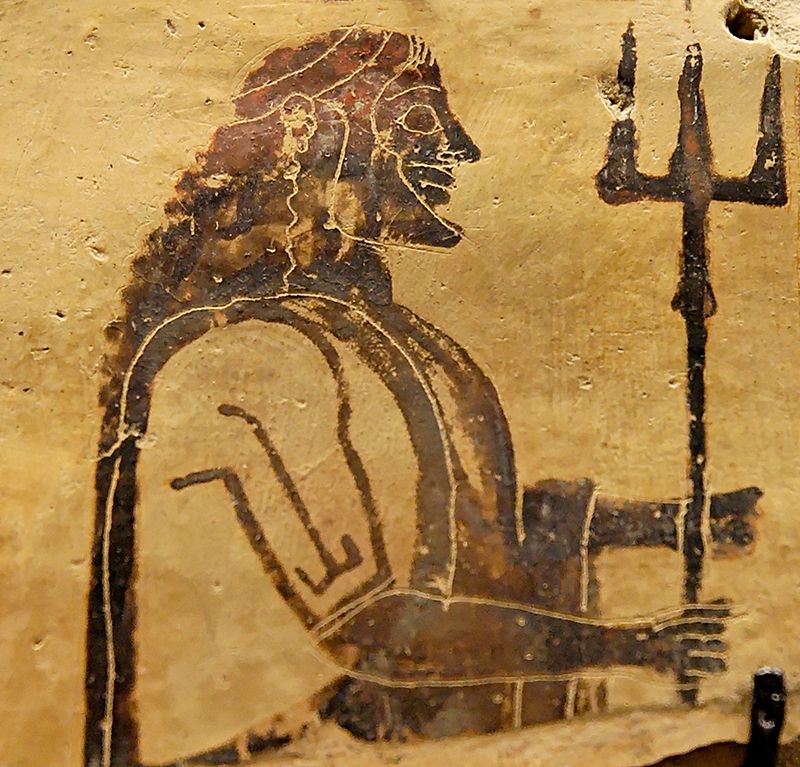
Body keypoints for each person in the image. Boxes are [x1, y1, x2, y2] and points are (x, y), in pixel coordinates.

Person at [84, 26, 755, 767]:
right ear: (315, 138)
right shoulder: (246, 356)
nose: (459, 148)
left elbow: (488, 530)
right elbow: (378, 630)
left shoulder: (385, 337)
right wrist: (631, 645)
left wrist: (678, 524)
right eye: (418, 121)